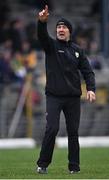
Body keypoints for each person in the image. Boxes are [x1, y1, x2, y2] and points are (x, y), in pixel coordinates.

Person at [36, 5, 96, 174]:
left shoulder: (78, 50)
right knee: (52, 128)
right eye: (58, 27)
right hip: (54, 96)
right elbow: (41, 36)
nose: (60, 29)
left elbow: (88, 71)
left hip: (73, 98)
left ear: (69, 31)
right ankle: (42, 164)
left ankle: (74, 167)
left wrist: (91, 88)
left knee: (73, 132)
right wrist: (41, 23)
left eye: (64, 27)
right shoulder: (51, 46)